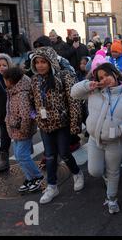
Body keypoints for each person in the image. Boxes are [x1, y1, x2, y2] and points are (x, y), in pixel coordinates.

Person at [71, 63, 122, 214]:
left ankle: (112, 198)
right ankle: (106, 178)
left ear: (115, 73)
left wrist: (120, 130)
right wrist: (88, 84)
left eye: (107, 75)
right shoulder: (94, 90)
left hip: (115, 142)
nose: (105, 79)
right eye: (101, 77)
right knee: (95, 171)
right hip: (94, 139)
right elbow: (74, 93)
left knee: (113, 171)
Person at [30, 47, 84, 204]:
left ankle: (77, 173)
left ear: (51, 62)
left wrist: (75, 125)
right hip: (45, 125)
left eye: (43, 62)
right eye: (37, 62)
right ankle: (52, 186)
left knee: (65, 153)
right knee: (50, 156)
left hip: (62, 124)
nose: (40, 66)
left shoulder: (64, 76)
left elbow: (74, 102)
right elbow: (31, 102)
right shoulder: (34, 80)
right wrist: (36, 117)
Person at [3, 67, 44, 193]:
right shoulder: (13, 91)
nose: (4, 82)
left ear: (11, 80)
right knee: (18, 155)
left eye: (5, 80)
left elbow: (26, 115)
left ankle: (37, 176)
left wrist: (24, 130)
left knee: (22, 155)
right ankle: (29, 178)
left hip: (22, 130)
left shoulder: (21, 94)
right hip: (16, 130)